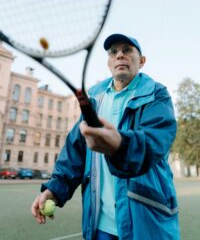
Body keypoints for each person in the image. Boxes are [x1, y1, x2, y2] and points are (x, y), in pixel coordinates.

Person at [31, 33, 180, 240]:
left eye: (127, 50)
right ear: (109, 62)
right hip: (100, 226)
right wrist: (54, 190)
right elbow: (75, 152)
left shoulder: (157, 95)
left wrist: (119, 145)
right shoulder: (94, 99)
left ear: (142, 61)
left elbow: (154, 142)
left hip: (147, 221)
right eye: (114, 52)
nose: (120, 55)